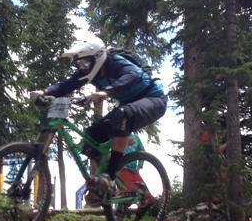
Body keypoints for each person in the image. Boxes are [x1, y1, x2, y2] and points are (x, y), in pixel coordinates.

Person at [31, 39, 167, 204]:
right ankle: (104, 183)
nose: (82, 67)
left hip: (153, 99)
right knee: (91, 136)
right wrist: (43, 91)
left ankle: (108, 177)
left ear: (97, 57)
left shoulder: (115, 62)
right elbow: (65, 86)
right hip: (130, 104)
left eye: (85, 62)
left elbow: (132, 75)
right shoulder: (88, 72)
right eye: (79, 64)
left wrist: (106, 91)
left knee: (122, 114)